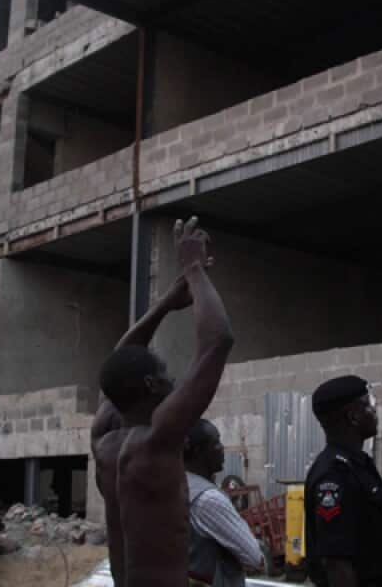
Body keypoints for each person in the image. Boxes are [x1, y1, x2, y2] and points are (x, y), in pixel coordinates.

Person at [96, 216, 235, 587]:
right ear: (150, 384)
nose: (175, 381)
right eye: (166, 376)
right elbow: (218, 342)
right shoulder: (157, 440)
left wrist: (165, 304)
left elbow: (119, 361)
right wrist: (193, 268)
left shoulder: (104, 442)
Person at [304, 375, 382, 587]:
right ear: (353, 416)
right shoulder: (334, 475)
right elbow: (337, 564)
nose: (374, 412)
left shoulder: (358, 464)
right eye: (368, 405)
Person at [185, 419, 264, 587]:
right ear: (199, 452)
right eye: (216, 443)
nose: (222, 449)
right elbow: (255, 558)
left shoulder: (177, 486)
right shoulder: (208, 499)